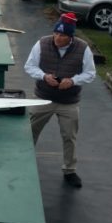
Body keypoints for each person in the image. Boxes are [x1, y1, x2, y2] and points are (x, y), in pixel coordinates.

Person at [23, 12, 96, 188]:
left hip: (68, 102)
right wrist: (43, 76)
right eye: (56, 33)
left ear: (70, 37)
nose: (57, 37)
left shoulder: (83, 48)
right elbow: (30, 66)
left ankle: (69, 170)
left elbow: (90, 73)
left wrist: (73, 81)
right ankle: (24, 161)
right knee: (29, 132)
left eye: (62, 35)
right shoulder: (42, 43)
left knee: (70, 136)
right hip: (43, 98)